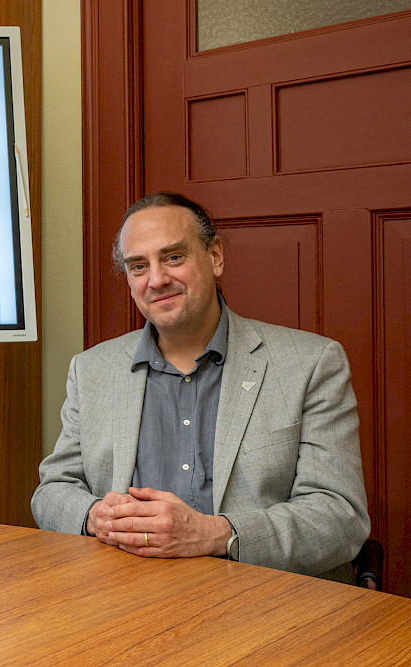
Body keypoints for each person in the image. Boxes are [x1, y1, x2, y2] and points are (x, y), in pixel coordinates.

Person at [31, 191, 369, 578]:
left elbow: (340, 518)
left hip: (261, 599)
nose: (157, 279)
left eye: (174, 257)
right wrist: (95, 517)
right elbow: (52, 491)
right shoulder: (91, 369)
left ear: (215, 256)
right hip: (124, 594)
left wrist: (213, 535)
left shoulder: (311, 364)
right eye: (138, 266)